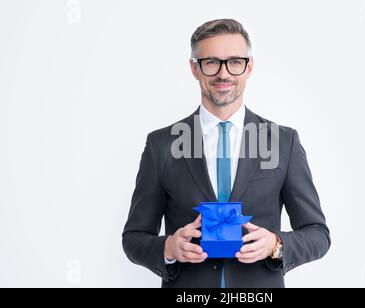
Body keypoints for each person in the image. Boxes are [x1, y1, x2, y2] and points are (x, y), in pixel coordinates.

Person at [122, 18, 330, 288]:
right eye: (211, 63)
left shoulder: (283, 142)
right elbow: (134, 238)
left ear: (249, 67)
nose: (224, 74)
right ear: (194, 69)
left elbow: (318, 234)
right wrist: (169, 248)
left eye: (234, 62)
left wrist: (276, 244)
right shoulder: (161, 145)